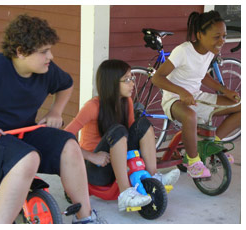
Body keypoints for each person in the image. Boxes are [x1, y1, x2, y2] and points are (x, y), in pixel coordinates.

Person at [0, 14, 106, 224]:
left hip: (23, 134)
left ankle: (86, 218)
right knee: (28, 158)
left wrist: (56, 111)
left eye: (50, 49)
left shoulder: (45, 70)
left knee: (68, 143)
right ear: (20, 52)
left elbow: (66, 84)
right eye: (43, 52)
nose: (50, 56)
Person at [65, 59, 180, 212]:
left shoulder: (127, 103)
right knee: (118, 129)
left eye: (131, 78)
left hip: (116, 164)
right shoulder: (92, 106)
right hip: (97, 170)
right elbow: (63, 137)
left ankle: (153, 176)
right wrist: (91, 156)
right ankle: (126, 193)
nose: (132, 83)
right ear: (111, 83)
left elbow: (134, 133)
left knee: (142, 123)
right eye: (127, 80)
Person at [151, 10, 241, 178]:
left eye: (224, 36)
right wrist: (182, 91)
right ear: (200, 35)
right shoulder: (183, 51)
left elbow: (202, 75)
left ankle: (212, 145)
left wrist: (225, 91)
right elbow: (157, 78)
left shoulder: (210, 51)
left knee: (240, 107)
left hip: (195, 97)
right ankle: (192, 161)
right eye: (216, 36)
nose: (222, 41)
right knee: (190, 116)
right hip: (174, 100)